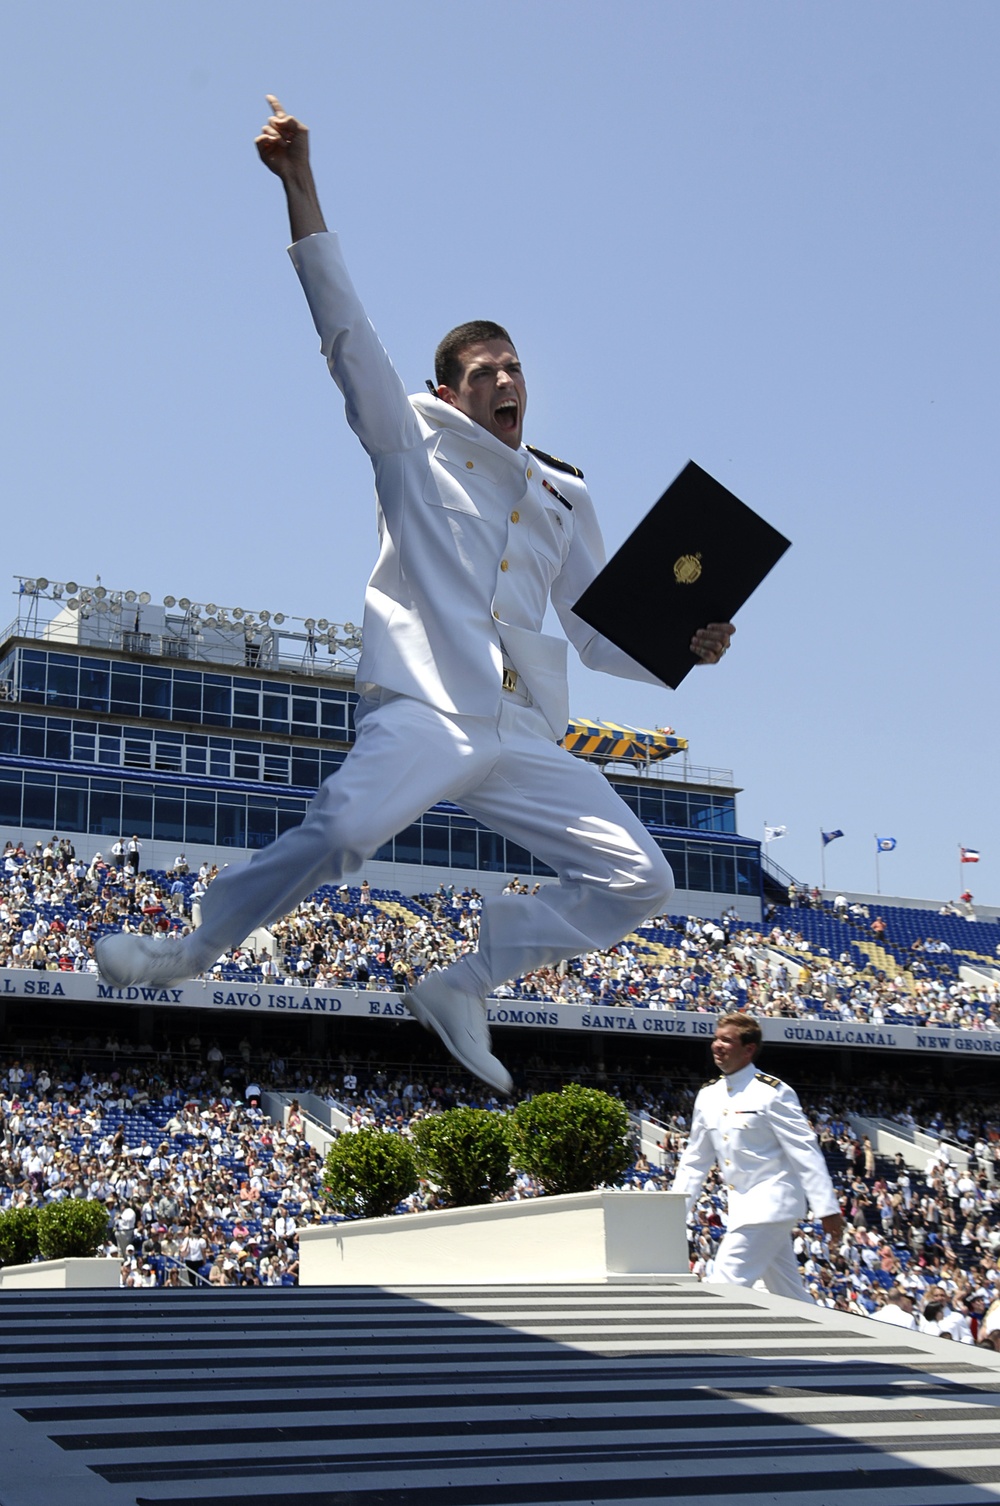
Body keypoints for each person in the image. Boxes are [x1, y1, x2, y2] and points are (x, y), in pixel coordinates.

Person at [96, 95, 734, 1094]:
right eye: (483, 373)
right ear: (449, 395)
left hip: (521, 729)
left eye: (514, 367)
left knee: (641, 879)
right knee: (346, 831)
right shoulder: (409, 444)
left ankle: (467, 980)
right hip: (429, 707)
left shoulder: (564, 492)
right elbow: (346, 333)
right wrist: (301, 188)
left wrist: (682, 643)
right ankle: (186, 952)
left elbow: (594, 627)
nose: (506, 381)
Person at [670, 1013, 844, 1302]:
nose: (717, 1045)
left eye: (727, 1040)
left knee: (725, 1284)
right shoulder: (708, 1095)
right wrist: (674, 1213)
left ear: (749, 1049)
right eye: (716, 1038)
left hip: (771, 1204)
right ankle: (833, 1341)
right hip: (743, 1208)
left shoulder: (772, 1093)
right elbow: (694, 1161)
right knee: (789, 1296)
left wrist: (827, 1207)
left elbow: (805, 1151)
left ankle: (699, 1346)